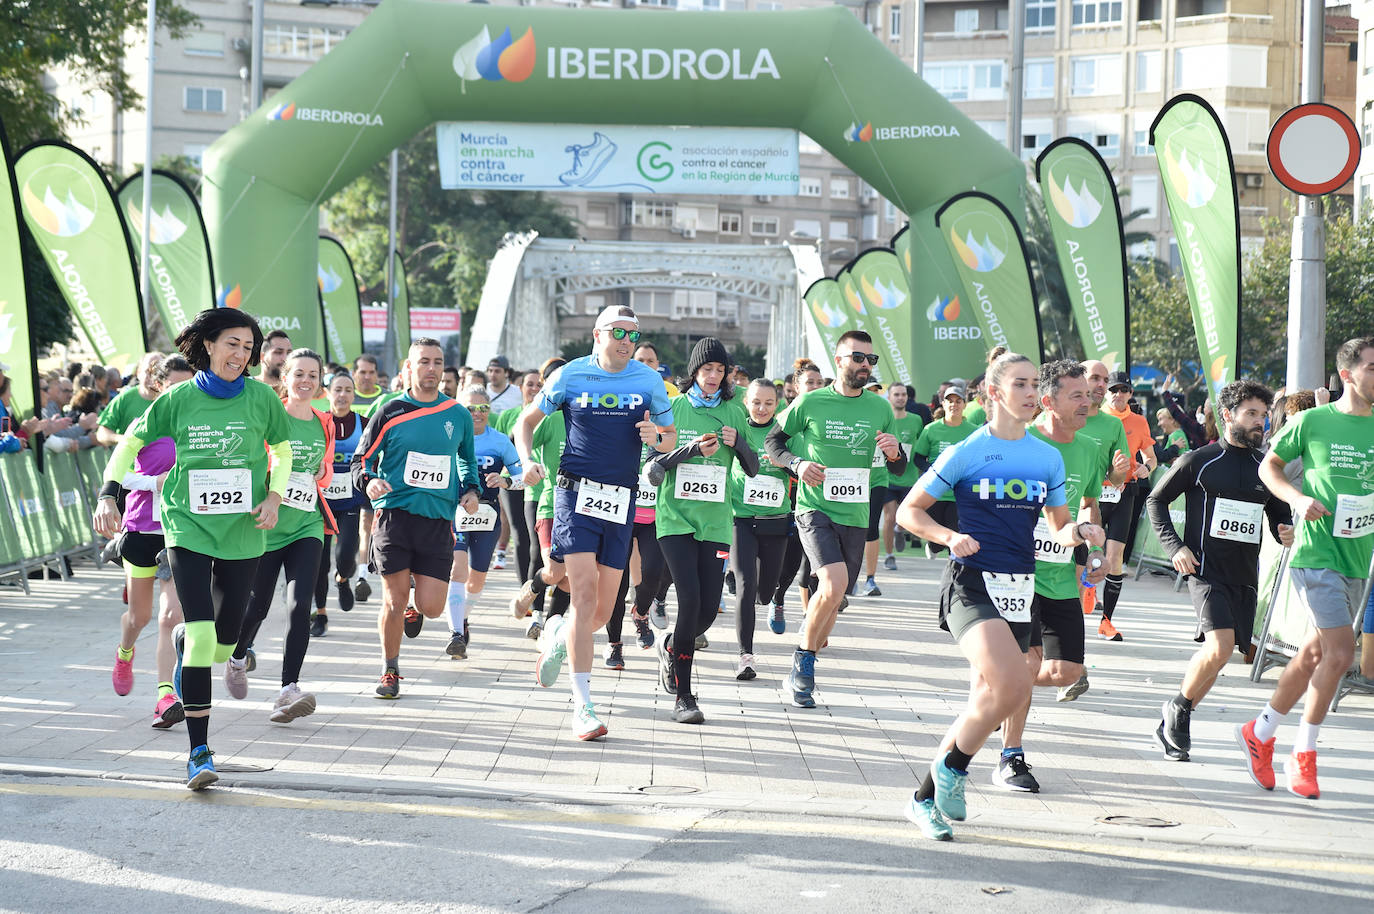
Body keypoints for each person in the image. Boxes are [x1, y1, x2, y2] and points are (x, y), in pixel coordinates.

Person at [896, 352, 1103, 840]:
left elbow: (1056, 524)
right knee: (1013, 685)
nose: (1032, 394)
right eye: (1021, 385)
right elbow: (910, 511)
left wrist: (1081, 530)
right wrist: (948, 537)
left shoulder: (1046, 457)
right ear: (993, 394)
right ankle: (954, 772)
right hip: (971, 583)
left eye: (1035, 385)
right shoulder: (967, 451)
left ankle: (922, 799)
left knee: (984, 702)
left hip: (1020, 586)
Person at [94, 308, 294, 789]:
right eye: (232, 344)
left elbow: (283, 452)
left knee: (224, 640)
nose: (240, 354)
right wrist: (108, 493)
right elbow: (128, 444)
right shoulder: (177, 399)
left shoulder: (262, 398)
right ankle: (200, 752)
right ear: (208, 345)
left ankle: (189, 644)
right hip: (187, 526)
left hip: (243, 529)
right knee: (205, 637)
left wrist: (274, 494)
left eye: (248, 347)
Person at [513, 305, 676, 740]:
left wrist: (656, 438)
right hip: (574, 492)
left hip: (621, 498)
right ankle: (583, 707)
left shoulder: (647, 380)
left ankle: (557, 634)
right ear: (597, 334)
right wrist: (527, 461)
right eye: (617, 332)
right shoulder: (570, 375)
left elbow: (670, 435)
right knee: (583, 595)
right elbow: (525, 421)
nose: (625, 340)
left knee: (603, 613)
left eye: (632, 333)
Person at [1238, 337, 1374, 799]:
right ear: (1348, 375)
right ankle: (1305, 755)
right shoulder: (1313, 420)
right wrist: (1296, 498)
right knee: (1339, 653)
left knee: (1315, 655)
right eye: (1373, 367)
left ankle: (1260, 731)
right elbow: (1269, 468)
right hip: (1315, 553)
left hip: (1358, 556)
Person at [1147, 380, 1293, 762]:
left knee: (1222, 654)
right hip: (1205, 570)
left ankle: (1176, 715)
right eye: (1251, 414)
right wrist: (1175, 547)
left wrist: (1286, 529)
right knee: (1220, 646)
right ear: (1228, 416)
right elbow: (1156, 500)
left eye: (1263, 415)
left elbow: (1280, 516)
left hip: (1244, 574)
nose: (1260, 422)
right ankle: (1179, 711)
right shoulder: (1200, 460)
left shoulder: (1265, 467)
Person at [764, 331, 906, 708]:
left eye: (871, 360)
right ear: (839, 360)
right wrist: (798, 463)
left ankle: (807, 648)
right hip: (814, 508)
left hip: (856, 512)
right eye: (858, 357)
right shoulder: (811, 402)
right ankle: (803, 663)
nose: (865, 365)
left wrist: (894, 454)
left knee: (835, 595)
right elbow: (773, 443)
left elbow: (901, 463)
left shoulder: (880, 409)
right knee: (833, 581)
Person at [995, 360, 1107, 792]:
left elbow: (1088, 504)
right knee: (1028, 662)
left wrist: (1094, 548)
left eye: (1088, 392)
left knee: (1066, 671)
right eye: (1076, 395)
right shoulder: (1021, 444)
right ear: (1048, 402)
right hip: (1017, 574)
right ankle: (1011, 755)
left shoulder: (1088, 447)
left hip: (1061, 574)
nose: (1088, 400)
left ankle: (998, 689)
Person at [352, 338, 481, 700]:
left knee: (433, 607)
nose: (432, 369)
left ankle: (415, 606)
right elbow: (361, 459)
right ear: (409, 367)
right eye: (423, 361)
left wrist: (471, 491)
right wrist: (369, 480)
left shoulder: (457, 414)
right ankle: (390, 669)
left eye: (438, 362)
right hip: (394, 516)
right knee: (391, 599)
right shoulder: (390, 409)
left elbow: (466, 461)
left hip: (438, 520)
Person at [646, 338, 757, 723]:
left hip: (715, 522)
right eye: (707, 369)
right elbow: (652, 468)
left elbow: (754, 467)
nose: (713, 376)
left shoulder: (733, 411)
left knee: (707, 611)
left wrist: (739, 443)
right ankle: (685, 697)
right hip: (674, 520)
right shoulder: (671, 408)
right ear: (694, 372)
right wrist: (691, 450)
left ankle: (669, 645)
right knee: (689, 599)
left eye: (720, 370)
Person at [229, 349, 337, 723]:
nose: (306, 381)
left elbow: (324, 470)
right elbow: (250, 461)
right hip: (268, 525)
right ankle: (238, 655)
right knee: (256, 606)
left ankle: (288, 688)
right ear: (285, 378)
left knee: (298, 606)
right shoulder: (268, 416)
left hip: (307, 524)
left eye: (313, 375)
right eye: (299, 374)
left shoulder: (325, 421)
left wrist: (316, 477)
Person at [104, 355, 194, 729]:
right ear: (159, 386)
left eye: (187, 385)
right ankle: (125, 653)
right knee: (139, 616)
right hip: (142, 526)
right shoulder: (143, 424)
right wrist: (153, 482)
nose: (181, 393)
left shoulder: (199, 426)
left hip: (183, 529)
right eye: (174, 386)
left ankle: (164, 696)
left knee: (171, 616)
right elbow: (120, 474)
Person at [444, 386, 523, 658]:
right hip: (455, 516)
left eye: (482, 408)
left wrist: (505, 481)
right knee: (458, 568)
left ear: (489, 411)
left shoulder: (500, 441)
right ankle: (455, 633)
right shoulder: (448, 438)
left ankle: (462, 618)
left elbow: (522, 477)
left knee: (476, 582)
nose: (476, 414)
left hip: (487, 519)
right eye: (470, 408)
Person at [729, 378, 791, 681]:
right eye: (756, 402)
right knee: (745, 585)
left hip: (776, 521)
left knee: (765, 592)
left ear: (777, 404)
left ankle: (771, 601)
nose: (762, 408)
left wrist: (788, 463)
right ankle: (745, 656)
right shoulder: (737, 429)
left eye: (768, 402)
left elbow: (801, 461)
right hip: (740, 518)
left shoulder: (785, 433)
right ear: (746, 402)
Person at [1075, 361, 1132, 646]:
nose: (1101, 384)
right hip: (1063, 510)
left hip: (1094, 505)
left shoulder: (1113, 425)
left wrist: (1121, 468)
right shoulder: (1062, 418)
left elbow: (1115, 474)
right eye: (1095, 378)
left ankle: (1105, 621)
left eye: (1104, 379)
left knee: (1112, 559)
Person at [312, 371, 367, 637]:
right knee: (318, 563)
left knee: (346, 556)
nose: (342, 395)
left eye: (347, 390)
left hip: (350, 501)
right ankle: (320, 614)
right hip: (319, 501)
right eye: (338, 390)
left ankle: (343, 578)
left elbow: (380, 451)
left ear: (353, 394)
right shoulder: (317, 422)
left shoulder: (363, 423)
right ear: (329, 393)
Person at [911, 386, 978, 559]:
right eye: (950, 401)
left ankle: (954, 565)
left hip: (959, 494)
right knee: (936, 538)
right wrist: (934, 472)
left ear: (964, 404)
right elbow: (918, 458)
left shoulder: (973, 432)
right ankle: (933, 547)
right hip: (936, 492)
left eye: (958, 401)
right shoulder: (931, 430)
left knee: (955, 532)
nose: (954, 405)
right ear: (943, 403)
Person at [880, 382, 925, 574]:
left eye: (903, 394)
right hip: (887, 477)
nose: (900, 397)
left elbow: (920, 447)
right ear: (889, 397)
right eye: (896, 394)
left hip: (909, 477)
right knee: (889, 516)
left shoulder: (915, 420)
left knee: (907, 518)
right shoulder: (883, 419)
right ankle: (890, 556)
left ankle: (901, 529)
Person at [95, 353, 164, 447]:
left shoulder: (171, 399)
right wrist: (124, 439)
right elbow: (102, 434)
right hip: (132, 460)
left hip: (165, 461)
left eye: (157, 372)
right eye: (148, 371)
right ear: (138, 373)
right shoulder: (124, 398)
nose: (152, 377)